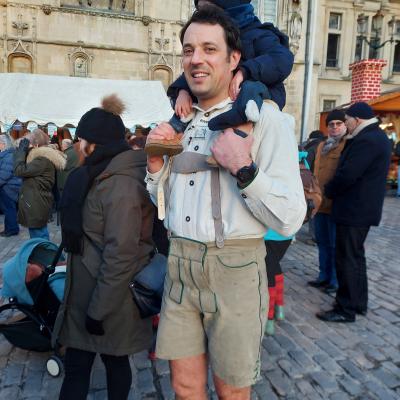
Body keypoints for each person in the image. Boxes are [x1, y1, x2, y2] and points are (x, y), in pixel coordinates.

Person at [146, 6, 305, 399]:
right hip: (180, 266)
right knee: (184, 386)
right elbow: (162, 200)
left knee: (231, 391)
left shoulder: (265, 119)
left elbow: (289, 219)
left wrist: (245, 169)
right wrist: (154, 170)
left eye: (209, 49)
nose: (196, 59)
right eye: (188, 50)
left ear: (235, 59)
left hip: (234, 269)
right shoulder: (181, 121)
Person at [54, 94, 155, 400]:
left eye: (80, 139)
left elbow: (120, 253)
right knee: (88, 363)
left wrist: (98, 311)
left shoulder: (120, 184)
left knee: (112, 361)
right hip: (91, 291)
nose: (75, 145)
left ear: (94, 144)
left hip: (109, 298)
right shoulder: (99, 175)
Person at [145, 0, 293, 156]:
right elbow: (198, 69)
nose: (196, 59)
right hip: (220, 101)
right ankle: (174, 131)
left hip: (261, 90)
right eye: (198, 10)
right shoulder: (209, 34)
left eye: (210, 49)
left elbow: (281, 60)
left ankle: (239, 137)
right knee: (188, 103)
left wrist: (245, 72)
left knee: (249, 92)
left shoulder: (258, 33)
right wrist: (182, 91)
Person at [316, 102, 392, 323]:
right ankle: (358, 303)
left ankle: (345, 308)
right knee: (356, 257)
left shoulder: (366, 139)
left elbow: (348, 174)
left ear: (356, 120)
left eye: (347, 120)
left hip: (354, 209)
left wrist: (328, 191)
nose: (346, 124)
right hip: (360, 209)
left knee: (347, 258)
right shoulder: (375, 137)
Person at [308, 110, 347, 294]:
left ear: (345, 125)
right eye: (331, 124)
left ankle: (334, 280)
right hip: (319, 203)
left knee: (334, 244)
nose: (334, 127)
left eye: (338, 123)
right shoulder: (321, 146)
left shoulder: (346, 145)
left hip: (335, 204)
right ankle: (323, 276)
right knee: (322, 242)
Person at [14, 129, 66, 240]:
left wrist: (21, 152)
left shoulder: (42, 160)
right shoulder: (41, 157)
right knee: (38, 235)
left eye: (29, 143)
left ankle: (46, 256)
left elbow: (19, 170)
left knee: (39, 237)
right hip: (36, 201)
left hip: (36, 202)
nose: (27, 146)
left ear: (36, 145)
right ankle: (43, 255)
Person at [0, 134, 21, 237]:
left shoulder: (8, 155)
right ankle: (9, 228)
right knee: (8, 209)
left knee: (9, 209)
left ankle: (12, 229)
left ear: (3, 144)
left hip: (8, 187)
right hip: (7, 187)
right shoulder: (7, 153)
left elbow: (5, 174)